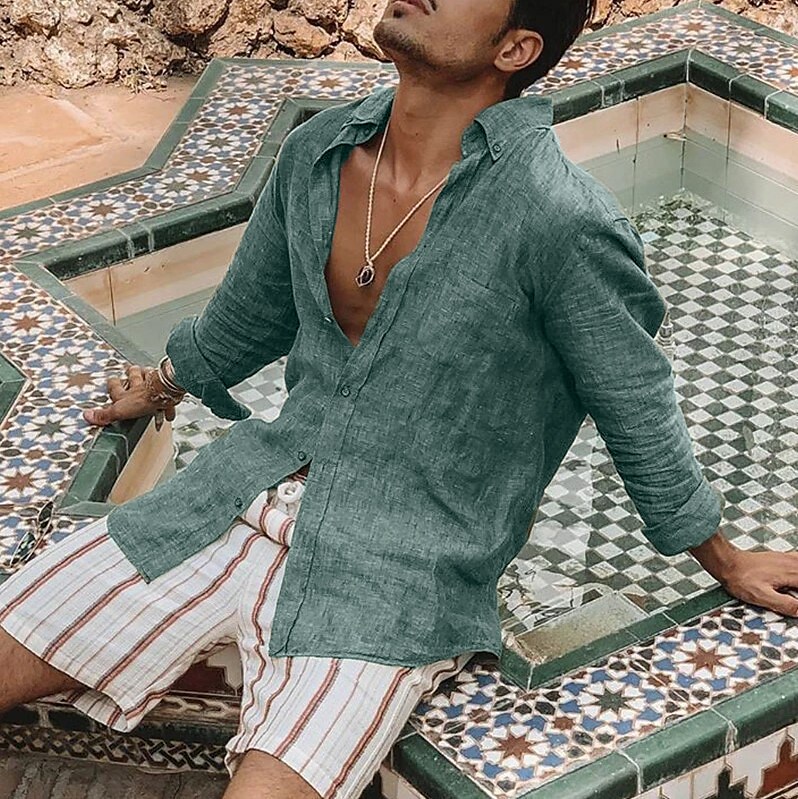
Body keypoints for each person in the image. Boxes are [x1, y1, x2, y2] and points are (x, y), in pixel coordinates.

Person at [2, 0, 796, 796]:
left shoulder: (559, 219)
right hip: (227, 500)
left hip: (396, 573)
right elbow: (249, 318)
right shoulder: (318, 152)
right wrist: (162, 385)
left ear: (515, 48)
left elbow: (634, 402)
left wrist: (724, 558)